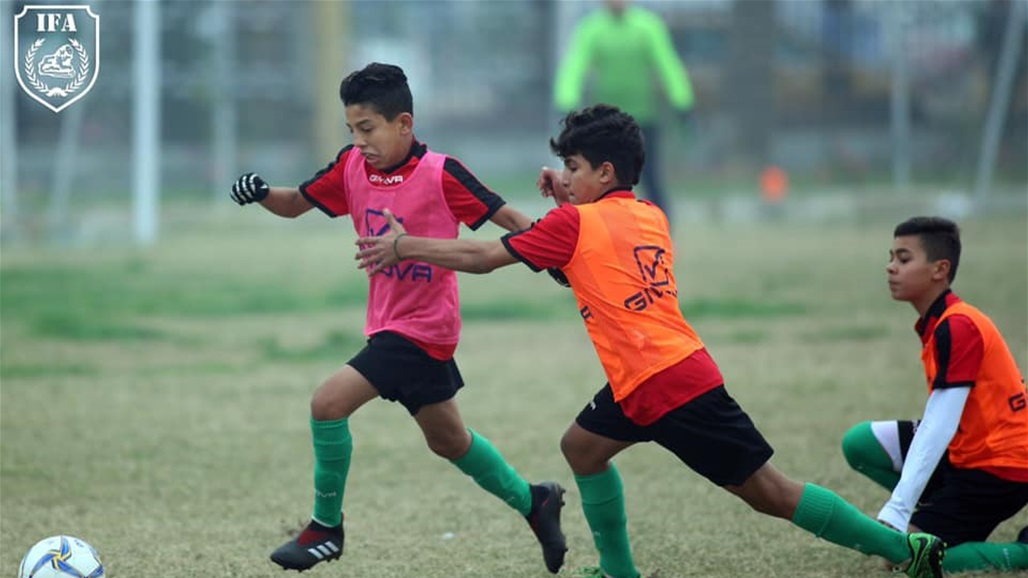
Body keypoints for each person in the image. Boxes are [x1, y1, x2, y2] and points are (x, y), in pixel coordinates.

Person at [354, 104, 946, 578]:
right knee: (581, 448)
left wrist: (405, 245)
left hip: (668, 384)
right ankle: (618, 570)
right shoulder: (648, 214)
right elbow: (580, 260)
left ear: (604, 173)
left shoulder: (574, 223)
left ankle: (901, 548)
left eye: (575, 168)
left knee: (770, 492)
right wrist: (565, 200)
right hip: (648, 376)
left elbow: (484, 257)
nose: (566, 177)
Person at [229, 62, 567, 574]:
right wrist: (261, 193)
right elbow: (297, 203)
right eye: (352, 130)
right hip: (388, 324)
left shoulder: (441, 173)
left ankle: (325, 528)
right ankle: (534, 501)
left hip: (424, 330)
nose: (359, 140)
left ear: (404, 124)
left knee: (327, 404)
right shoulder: (351, 168)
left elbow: (510, 219)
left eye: (368, 129)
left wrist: (558, 261)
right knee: (449, 440)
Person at [841, 216, 1028, 573]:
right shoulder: (939, 321)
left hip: (1002, 466)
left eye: (903, 258)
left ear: (940, 269)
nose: (890, 267)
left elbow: (939, 424)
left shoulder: (959, 325)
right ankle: (939, 519)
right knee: (861, 443)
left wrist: (897, 509)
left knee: (906, 557)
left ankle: (1023, 552)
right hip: (964, 451)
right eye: (891, 257)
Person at [553, 0, 695, 228]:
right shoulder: (592, 28)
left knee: (650, 179)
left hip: (642, 121)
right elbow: (575, 65)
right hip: (606, 125)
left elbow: (667, 64)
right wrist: (565, 100)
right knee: (599, 183)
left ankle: (661, 236)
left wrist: (682, 100)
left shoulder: (648, 26)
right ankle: (593, 235)